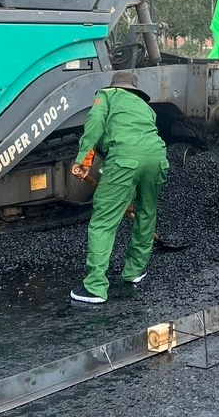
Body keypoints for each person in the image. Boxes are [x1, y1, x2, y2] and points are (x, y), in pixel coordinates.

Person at [69, 71, 169, 303]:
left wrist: (84, 159)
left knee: (104, 221)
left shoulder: (106, 95)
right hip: (157, 158)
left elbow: (94, 124)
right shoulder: (146, 108)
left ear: (114, 86)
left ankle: (95, 287)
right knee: (146, 213)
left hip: (124, 159)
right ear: (135, 90)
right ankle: (134, 271)